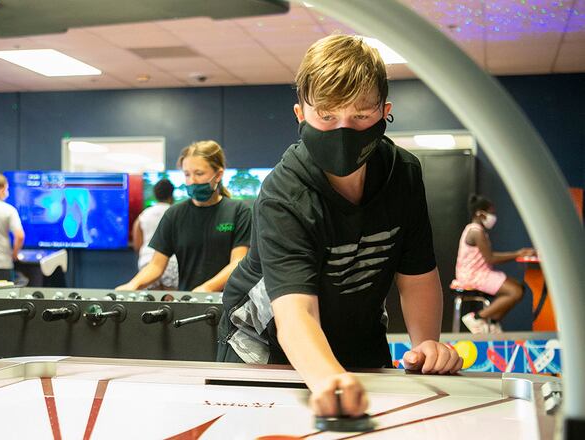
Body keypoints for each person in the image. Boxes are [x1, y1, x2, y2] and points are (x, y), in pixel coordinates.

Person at [217, 35, 462, 418]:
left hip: (358, 330)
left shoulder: (404, 174)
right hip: (268, 344)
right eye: (327, 116)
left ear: (385, 111)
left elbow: (416, 276)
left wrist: (427, 346)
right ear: (301, 115)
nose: (343, 130)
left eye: (361, 116)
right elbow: (296, 314)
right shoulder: (284, 193)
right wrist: (327, 378)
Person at [116, 141, 251, 293]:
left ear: (218, 174)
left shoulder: (239, 212)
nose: (191, 181)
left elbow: (238, 262)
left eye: (199, 174)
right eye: (187, 174)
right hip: (188, 300)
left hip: (228, 303)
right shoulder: (175, 214)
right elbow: (156, 265)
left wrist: (206, 289)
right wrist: (133, 285)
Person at [455, 194, 533, 334]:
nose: (493, 217)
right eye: (491, 213)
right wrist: (518, 253)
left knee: (518, 287)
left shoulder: (477, 230)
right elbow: (490, 258)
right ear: (480, 214)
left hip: (481, 272)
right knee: (515, 291)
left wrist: (518, 254)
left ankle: (492, 322)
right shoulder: (476, 232)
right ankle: (477, 318)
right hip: (473, 275)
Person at [132, 178, 179, 290]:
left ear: (155, 195)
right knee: (172, 303)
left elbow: (137, 245)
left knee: (150, 303)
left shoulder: (143, 216)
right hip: (171, 262)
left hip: (147, 263)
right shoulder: (176, 213)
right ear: (171, 195)